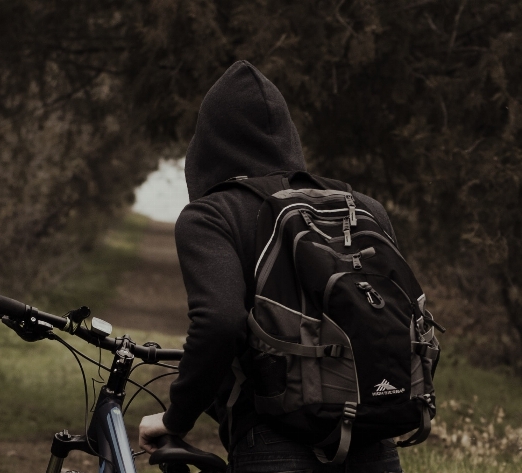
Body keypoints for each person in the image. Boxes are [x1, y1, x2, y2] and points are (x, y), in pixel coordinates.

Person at [137, 60, 404, 472]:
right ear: (288, 135)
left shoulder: (212, 214)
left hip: (275, 441)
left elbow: (219, 323)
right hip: (373, 435)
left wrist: (176, 418)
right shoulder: (363, 208)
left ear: (207, 141)